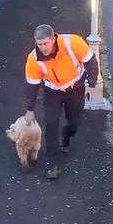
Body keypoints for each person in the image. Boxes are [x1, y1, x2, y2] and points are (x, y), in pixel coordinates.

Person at [24, 24, 99, 179]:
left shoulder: (73, 42)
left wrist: (92, 85)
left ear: (53, 39)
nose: (42, 48)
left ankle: (66, 137)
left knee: (74, 122)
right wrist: (29, 109)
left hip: (76, 88)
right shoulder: (33, 59)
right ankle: (53, 164)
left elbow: (91, 61)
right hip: (52, 92)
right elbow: (32, 85)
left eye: (45, 43)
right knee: (51, 123)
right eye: (39, 44)